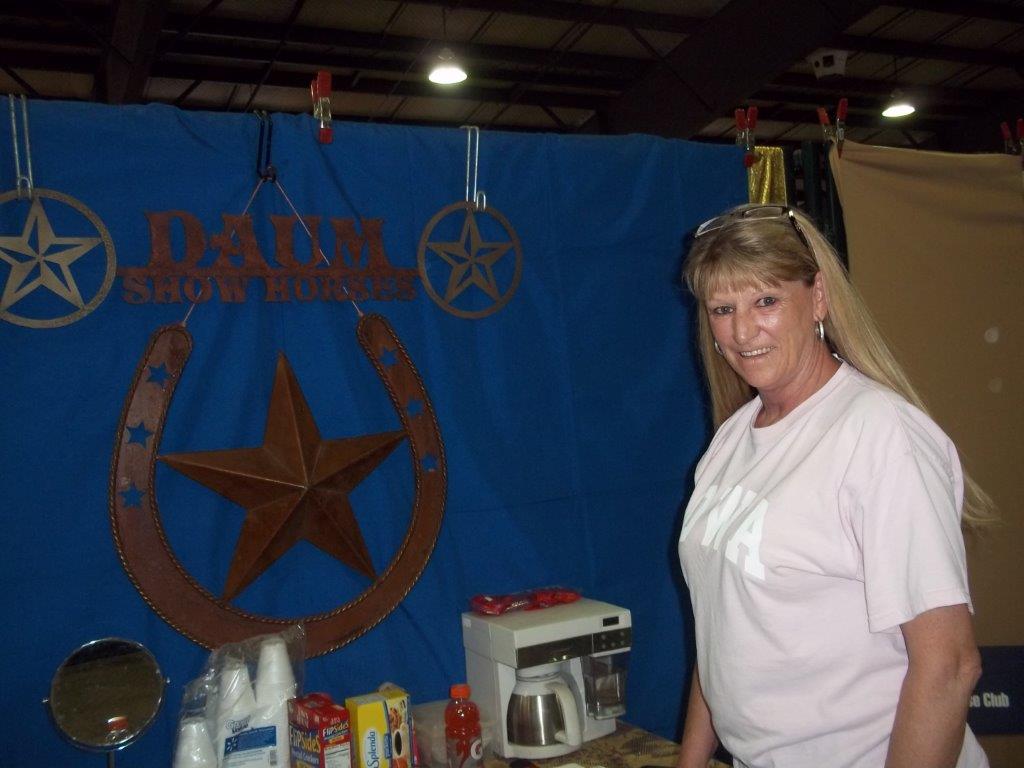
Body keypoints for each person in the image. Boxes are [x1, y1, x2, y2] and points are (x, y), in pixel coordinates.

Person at [675, 204, 992, 768]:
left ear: (818, 297)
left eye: (766, 301)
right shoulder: (731, 441)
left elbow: (949, 665)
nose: (742, 331)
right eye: (723, 309)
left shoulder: (879, 434)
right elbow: (722, 632)